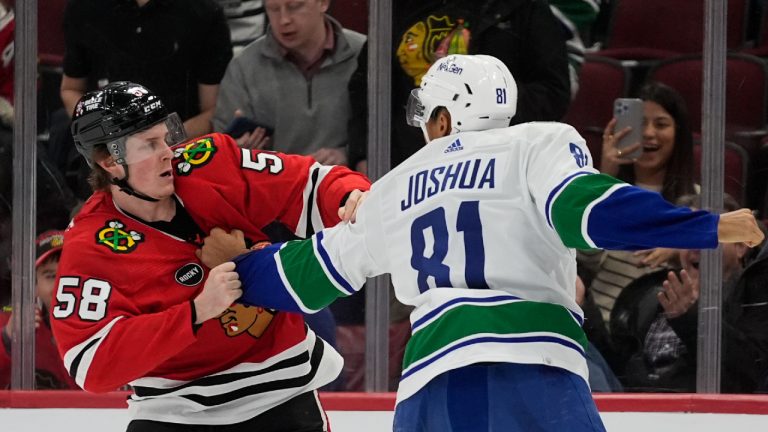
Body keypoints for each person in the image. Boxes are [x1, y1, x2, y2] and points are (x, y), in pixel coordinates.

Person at [197, 54, 764, 431]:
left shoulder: (395, 184)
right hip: (533, 368)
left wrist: (234, 273)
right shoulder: (538, 142)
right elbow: (586, 211)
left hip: (430, 384)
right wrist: (703, 226)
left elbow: (314, 269)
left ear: (444, 118)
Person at [50, 81, 370, 430]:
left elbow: (308, 183)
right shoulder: (91, 245)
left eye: (166, 136)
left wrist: (350, 196)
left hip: (281, 390)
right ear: (109, 160)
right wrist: (195, 311)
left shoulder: (210, 162)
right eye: (150, 145)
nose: (168, 152)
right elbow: (91, 364)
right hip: (173, 410)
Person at [347, 0, 571, 173]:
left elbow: (554, 92)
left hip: (492, 168)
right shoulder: (398, 7)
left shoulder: (522, 8)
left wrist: (489, 102)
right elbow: (366, 86)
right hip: (408, 165)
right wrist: (363, 153)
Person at [620, 193, 768, 393]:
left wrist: (690, 319)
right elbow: (616, 371)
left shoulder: (753, 297)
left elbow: (749, 374)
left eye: (707, 234)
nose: (694, 246)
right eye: (687, 234)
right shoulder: (650, 296)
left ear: (740, 246)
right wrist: (585, 306)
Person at [579, 81, 698, 325]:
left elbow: (722, 265)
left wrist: (681, 250)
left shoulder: (698, 200)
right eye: (640, 124)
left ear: (679, 133)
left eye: (661, 124)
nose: (649, 133)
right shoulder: (605, 190)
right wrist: (605, 179)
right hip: (598, 325)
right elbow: (583, 260)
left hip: (660, 333)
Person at [212, 0, 365, 166]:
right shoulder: (243, 68)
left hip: (349, 184)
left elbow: (391, 138)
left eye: (295, 7)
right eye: (274, 9)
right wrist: (237, 154)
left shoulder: (364, 54)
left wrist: (351, 154)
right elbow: (220, 157)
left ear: (323, 3)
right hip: (274, 187)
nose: (284, 20)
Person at [60, 0, 233, 139]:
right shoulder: (84, 8)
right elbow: (71, 89)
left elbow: (214, 111)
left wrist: (162, 138)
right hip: (108, 156)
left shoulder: (204, 12)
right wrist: (102, 132)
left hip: (179, 153)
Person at [0, 230, 79, 390]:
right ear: (34, 286)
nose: (61, 284)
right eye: (50, 276)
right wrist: (8, 339)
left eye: (70, 273)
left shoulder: (112, 327)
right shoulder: (9, 324)